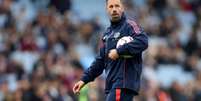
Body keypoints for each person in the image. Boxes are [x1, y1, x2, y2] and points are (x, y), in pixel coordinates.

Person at [73, 0, 148, 100]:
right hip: (112, 85)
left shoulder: (130, 26)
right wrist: (84, 80)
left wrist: (119, 51)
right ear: (107, 9)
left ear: (122, 8)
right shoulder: (107, 34)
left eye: (117, 6)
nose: (114, 9)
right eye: (111, 7)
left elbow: (143, 41)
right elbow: (100, 61)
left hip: (123, 84)